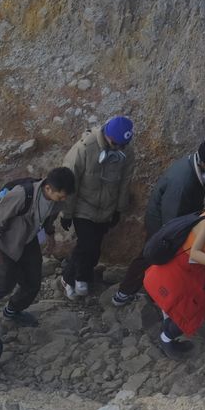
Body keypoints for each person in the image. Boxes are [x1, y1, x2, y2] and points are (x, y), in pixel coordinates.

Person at [114, 129, 205, 309]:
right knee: (153, 254)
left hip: (180, 220)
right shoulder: (183, 183)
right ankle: (126, 292)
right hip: (164, 224)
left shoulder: (197, 167)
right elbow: (171, 219)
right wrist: (178, 240)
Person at [143, 182, 205, 360]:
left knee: (188, 309)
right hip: (178, 273)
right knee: (191, 312)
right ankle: (165, 339)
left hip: (190, 273)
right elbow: (195, 253)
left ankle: (168, 331)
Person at [0, 166, 75, 326]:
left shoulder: (56, 200)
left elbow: (49, 216)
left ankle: (13, 311)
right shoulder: (22, 195)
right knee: (0, 287)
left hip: (28, 240)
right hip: (7, 243)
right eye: (60, 197)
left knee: (32, 282)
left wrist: (50, 234)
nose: (63, 200)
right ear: (48, 188)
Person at [59, 115, 136, 300]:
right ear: (107, 135)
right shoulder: (85, 148)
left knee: (93, 249)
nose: (119, 148)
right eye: (115, 144)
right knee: (87, 245)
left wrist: (119, 208)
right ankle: (78, 278)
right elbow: (70, 180)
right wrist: (66, 213)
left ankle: (68, 278)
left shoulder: (126, 151)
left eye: (122, 145)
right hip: (83, 206)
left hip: (106, 209)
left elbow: (125, 182)